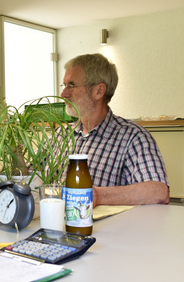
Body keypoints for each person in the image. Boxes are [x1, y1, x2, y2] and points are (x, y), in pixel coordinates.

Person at [60, 53, 169, 206]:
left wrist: (97, 196)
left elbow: (158, 192)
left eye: (71, 85)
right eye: (64, 85)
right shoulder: (60, 136)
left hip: (107, 223)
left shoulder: (132, 137)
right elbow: (30, 178)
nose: (63, 94)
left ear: (98, 91)